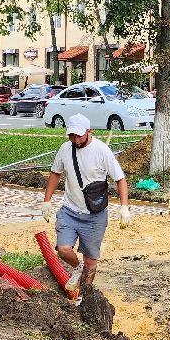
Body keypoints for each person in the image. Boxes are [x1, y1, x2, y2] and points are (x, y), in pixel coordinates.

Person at [42, 114, 132, 302]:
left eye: (79, 136)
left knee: (91, 260)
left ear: (89, 132)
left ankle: (84, 296)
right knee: (64, 248)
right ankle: (76, 268)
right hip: (70, 210)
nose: (75, 140)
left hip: (94, 215)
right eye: (71, 136)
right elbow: (55, 173)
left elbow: (120, 179)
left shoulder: (102, 151)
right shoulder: (66, 149)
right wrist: (47, 200)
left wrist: (124, 207)